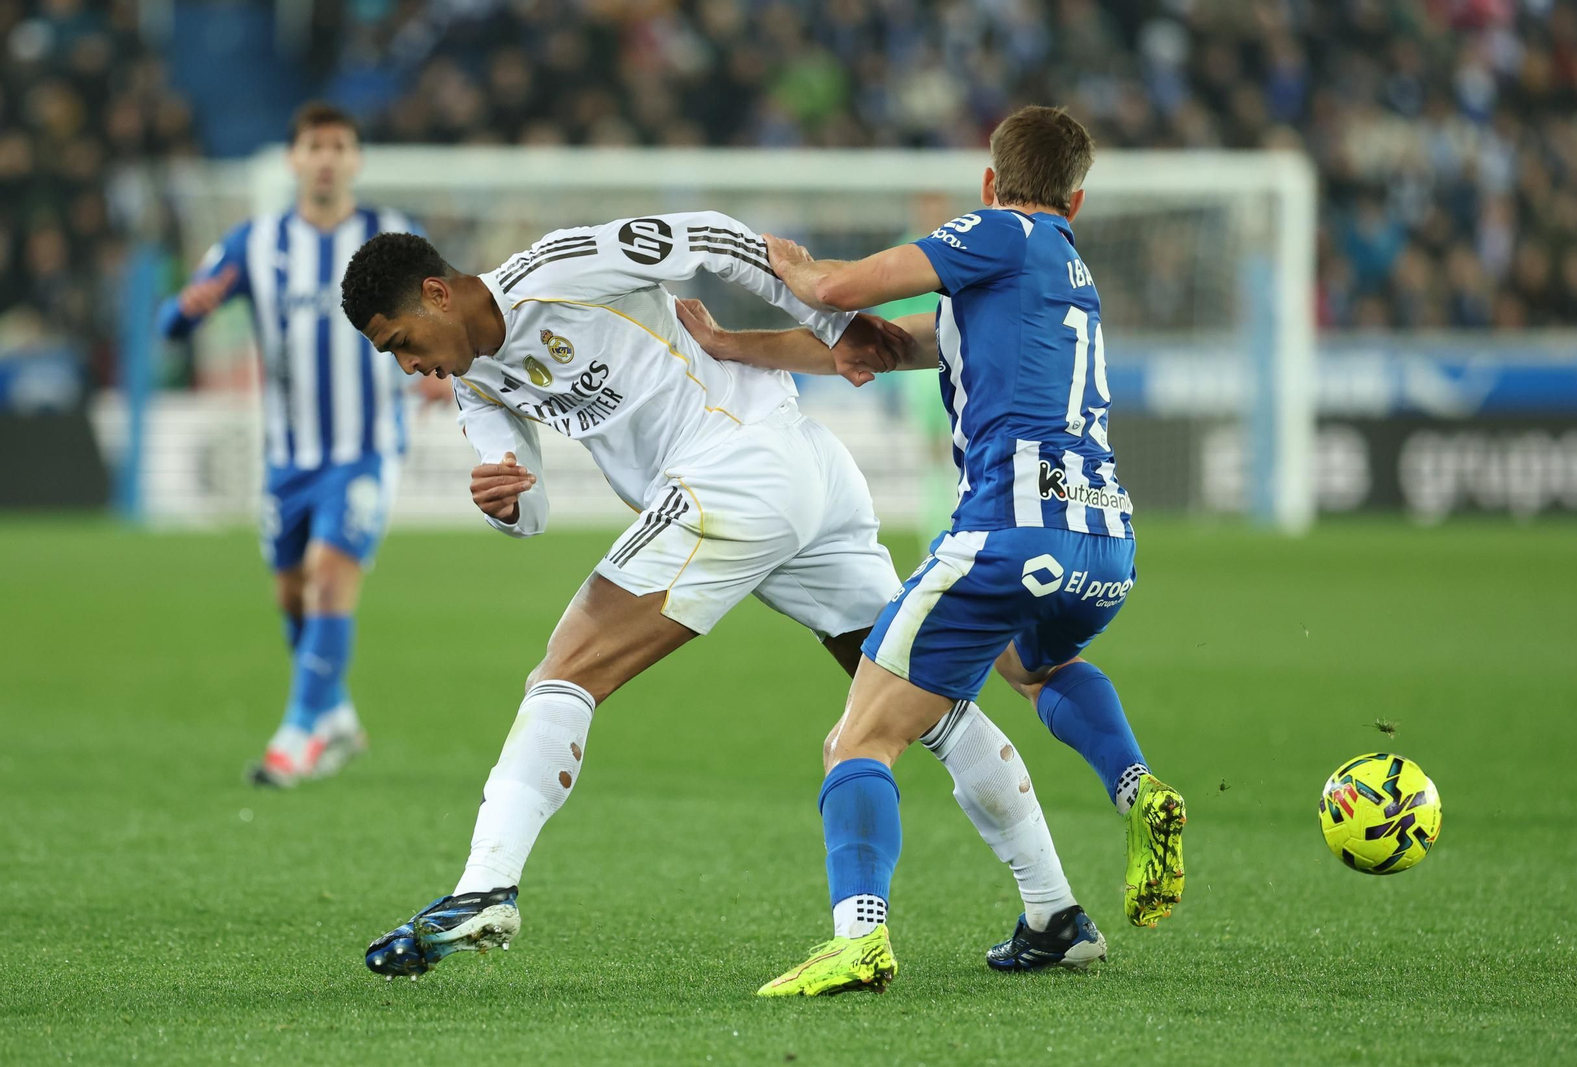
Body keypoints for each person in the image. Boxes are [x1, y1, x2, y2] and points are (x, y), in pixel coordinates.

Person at [338, 211, 1103, 979]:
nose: (410, 366)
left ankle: (484, 886)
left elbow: (706, 237)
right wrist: (506, 504)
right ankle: (1055, 910)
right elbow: (527, 509)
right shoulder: (475, 379)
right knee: (916, 696)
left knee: (565, 671)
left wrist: (831, 322)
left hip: (735, 467)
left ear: (437, 293)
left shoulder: (557, 270)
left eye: (401, 342)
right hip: (796, 470)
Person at [734, 105, 1186, 997]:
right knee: (1033, 664)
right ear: (1079, 198)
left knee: (859, 734)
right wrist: (731, 346)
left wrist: (796, 268)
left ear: (991, 182)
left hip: (1005, 531)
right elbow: (894, 345)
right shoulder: (1066, 273)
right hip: (1104, 537)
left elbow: (843, 293)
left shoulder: (998, 231)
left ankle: (859, 937)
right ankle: (1130, 794)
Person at [156, 102, 435, 786]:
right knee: (291, 594)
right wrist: (185, 313)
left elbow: (446, 310)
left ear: (356, 159)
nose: (327, 158)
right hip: (288, 454)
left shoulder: (392, 235)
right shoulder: (255, 241)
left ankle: (295, 736)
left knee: (330, 575)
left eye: (340, 145)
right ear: (293, 159)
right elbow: (174, 320)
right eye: (315, 145)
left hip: (367, 445)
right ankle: (334, 711)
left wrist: (446, 373)